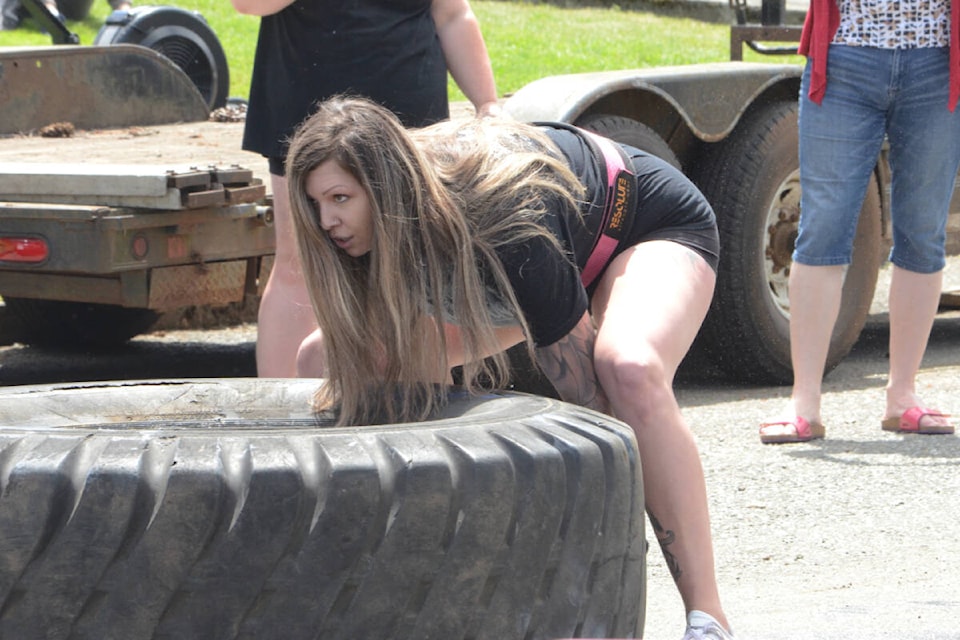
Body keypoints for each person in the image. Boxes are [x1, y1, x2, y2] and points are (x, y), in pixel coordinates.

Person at [287, 96, 734, 640]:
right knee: (322, 359)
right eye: (315, 203)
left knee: (627, 367)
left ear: (387, 187)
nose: (327, 220)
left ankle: (708, 617)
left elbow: (594, 411)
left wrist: (611, 547)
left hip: (642, 227)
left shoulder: (505, 212)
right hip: (511, 283)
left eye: (340, 198)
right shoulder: (351, 238)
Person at [230, 0, 500, 377]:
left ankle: (416, 408)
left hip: (409, 120)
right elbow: (249, 4)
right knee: (301, 264)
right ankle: (280, 414)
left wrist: (487, 105)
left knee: (413, 263)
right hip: (309, 110)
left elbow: (451, 14)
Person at [759, 0, 960, 444]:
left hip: (937, 58)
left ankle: (903, 397)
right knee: (823, 228)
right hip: (845, 55)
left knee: (923, 232)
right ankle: (804, 403)